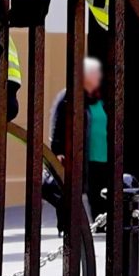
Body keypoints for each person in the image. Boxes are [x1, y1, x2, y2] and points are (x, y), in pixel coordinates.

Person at [50, 57, 110, 225]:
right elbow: (57, 123)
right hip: (82, 154)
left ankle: (101, 223)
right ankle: (66, 226)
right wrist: (57, 150)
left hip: (103, 154)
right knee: (71, 191)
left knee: (102, 192)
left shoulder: (100, 97)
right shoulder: (69, 95)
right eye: (95, 74)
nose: (98, 77)